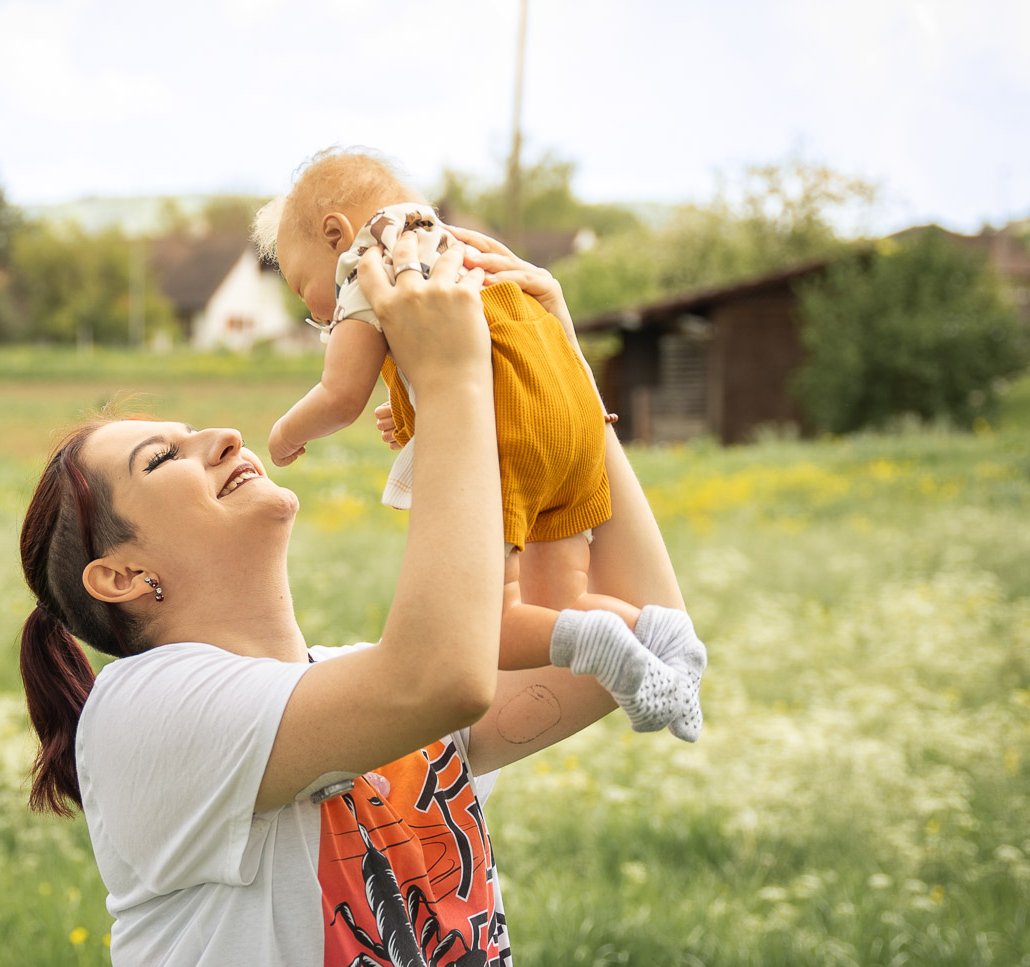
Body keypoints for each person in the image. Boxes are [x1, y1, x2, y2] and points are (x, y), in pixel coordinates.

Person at [18, 225, 691, 967]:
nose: (221, 437)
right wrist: (449, 379)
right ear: (119, 575)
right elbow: (439, 680)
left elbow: (652, 630)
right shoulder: (144, 710)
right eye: (164, 457)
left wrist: (558, 373)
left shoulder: (350, 694)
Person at [255, 149, 704, 740]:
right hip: (570, 416)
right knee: (560, 598)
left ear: (333, 233)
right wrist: (416, 407)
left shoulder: (368, 260)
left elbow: (340, 395)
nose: (314, 312)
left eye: (299, 285)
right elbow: (483, 361)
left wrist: (284, 434)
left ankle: (605, 647)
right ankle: (667, 642)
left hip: (513, 442)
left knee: (489, 625)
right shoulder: (458, 251)